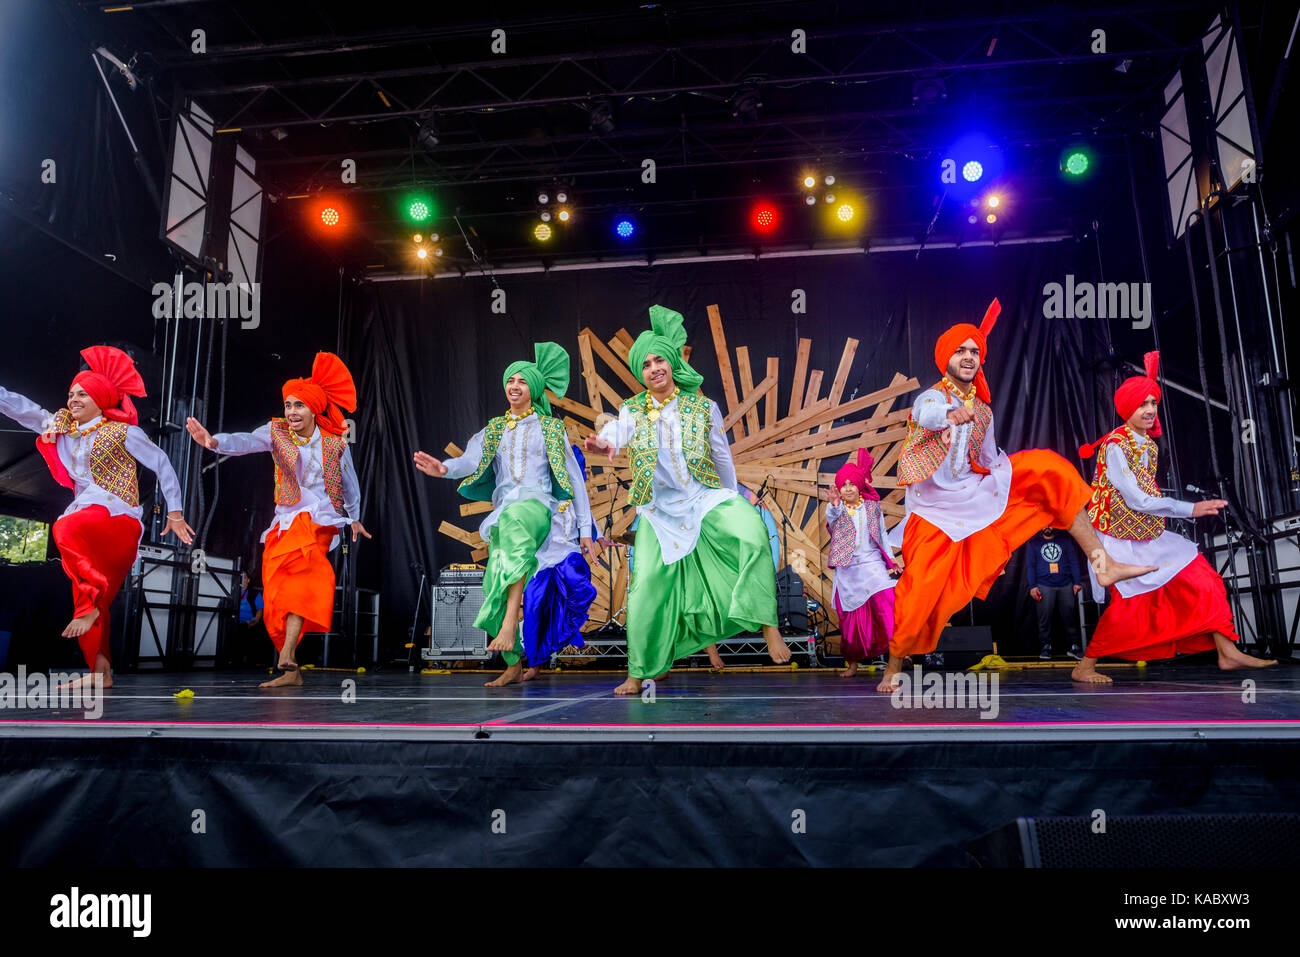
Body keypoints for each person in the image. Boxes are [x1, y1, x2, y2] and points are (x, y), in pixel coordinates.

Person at [879, 299, 1155, 692]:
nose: (969, 356)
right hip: (933, 511)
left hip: (975, 495)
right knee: (918, 591)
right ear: (946, 359)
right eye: (961, 350)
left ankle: (1102, 562)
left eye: (975, 350)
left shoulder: (985, 413)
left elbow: (991, 460)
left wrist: (1011, 491)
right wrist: (949, 415)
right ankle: (895, 664)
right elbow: (925, 413)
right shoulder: (932, 397)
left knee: (1048, 470)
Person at [584, 305, 789, 696]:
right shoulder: (633, 410)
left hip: (704, 498)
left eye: (659, 359)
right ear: (640, 374)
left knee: (752, 534)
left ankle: (768, 625)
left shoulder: (703, 407)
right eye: (645, 364)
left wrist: (735, 500)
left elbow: (722, 457)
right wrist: (606, 441)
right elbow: (616, 429)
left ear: (672, 361)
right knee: (645, 591)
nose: (654, 368)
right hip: (658, 512)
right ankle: (638, 671)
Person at [1071, 352, 1276, 682]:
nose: (1150, 410)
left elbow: (1146, 497)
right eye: (1142, 405)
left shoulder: (1149, 444)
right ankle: (1085, 665)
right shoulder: (1114, 446)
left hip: (1149, 534)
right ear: (1127, 410)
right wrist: (1190, 508)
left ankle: (1228, 651)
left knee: (1204, 579)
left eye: (1153, 402)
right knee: (1130, 605)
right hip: (1118, 538)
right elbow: (1138, 500)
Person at [0, 346, 194, 689]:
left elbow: (162, 463)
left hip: (119, 519)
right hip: (90, 520)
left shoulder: (122, 432)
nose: (73, 399)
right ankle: (100, 673)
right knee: (89, 602)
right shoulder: (60, 426)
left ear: (100, 398)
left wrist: (176, 513)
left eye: (82, 393)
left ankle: (94, 588)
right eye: (71, 393)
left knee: (65, 526)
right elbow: (20, 407)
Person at [413, 342, 599, 687]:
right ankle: (514, 664)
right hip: (507, 516)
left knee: (515, 523)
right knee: (498, 581)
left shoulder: (551, 428)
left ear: (534, 389)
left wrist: (585, 531)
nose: (514, 386)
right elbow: (468, 461)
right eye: (510, 380)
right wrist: (444, 468)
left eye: (522, 381)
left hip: (539, 509)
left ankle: (510, 624)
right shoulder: (494, 429)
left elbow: (574, 480)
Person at [185, 352, 369, 688]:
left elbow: (350, 484)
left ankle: (287, 654)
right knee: (276, 594)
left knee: (302, 580)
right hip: (286, 520)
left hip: (322, 520)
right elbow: (245, 441)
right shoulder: (275, 431)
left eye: (299, 406)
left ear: (314, 408)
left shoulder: (335, 444)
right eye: (288, 405)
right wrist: (214, 442)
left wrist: (354, 518)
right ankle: (291, 670)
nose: (292, 412)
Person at [825, 448, 901, 677]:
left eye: (851, 483)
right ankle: (852, 664)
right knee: (849, 620)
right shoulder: (836, 509)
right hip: (848, 570)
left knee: (889, 603)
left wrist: (891, 561)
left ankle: (898, 652)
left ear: (859, 486)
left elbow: (883, 536)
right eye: (843, 484)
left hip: (872, 564)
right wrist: (836, 505)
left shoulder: (872, 507)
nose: (848, 487)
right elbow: (833, 518)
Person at [1025, 526, 1084, 659]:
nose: (1047, 528)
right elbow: (1030, 566)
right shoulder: (1033, 544)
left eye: (1050, 524)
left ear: (1055, 525)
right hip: (1044, 585)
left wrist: (1077, 582)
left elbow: (1074, 562)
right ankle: (1046, 646)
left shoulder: (1065, 541)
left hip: (1066, 584)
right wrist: (1032, 586)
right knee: (1044, 618)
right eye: (1044, 525)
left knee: (1069, 616)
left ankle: (1073, 646)